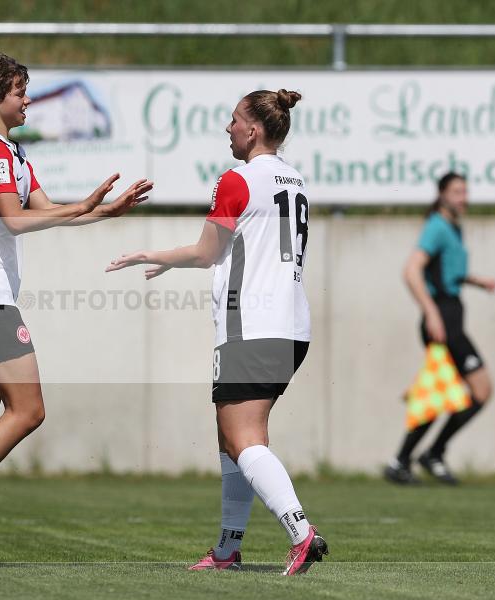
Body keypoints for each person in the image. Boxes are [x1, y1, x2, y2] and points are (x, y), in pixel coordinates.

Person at [0, 53, 153, 567]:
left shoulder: (10, 151)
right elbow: (15, 221)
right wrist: (83, 206)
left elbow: (44, 211)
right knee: (29, 411)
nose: (28, 100)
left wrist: (105, 210)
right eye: (19, 91)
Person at [106, 89, 328, 576]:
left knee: (242, 439)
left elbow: (207, 251)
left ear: (253, 130)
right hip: (291, 327)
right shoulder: (295, 179)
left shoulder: (236, 179)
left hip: (252, 325)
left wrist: (150, 254)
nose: (228, 129)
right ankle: (228, 549)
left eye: (233, 121)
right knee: (236, 440)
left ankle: (300, 532)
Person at [384, 173, 495, 486]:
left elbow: (448, 273)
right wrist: (431, 312)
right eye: (457, 192)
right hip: (442, 321)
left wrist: (477, 281)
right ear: (443, 194)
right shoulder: (436, 227)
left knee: (445, 392)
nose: (463, 198)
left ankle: (407, 459)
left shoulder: (453, 228)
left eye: (465, 191)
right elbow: (411, 271)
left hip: (452, 318)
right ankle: (424, 455)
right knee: (473, 390)